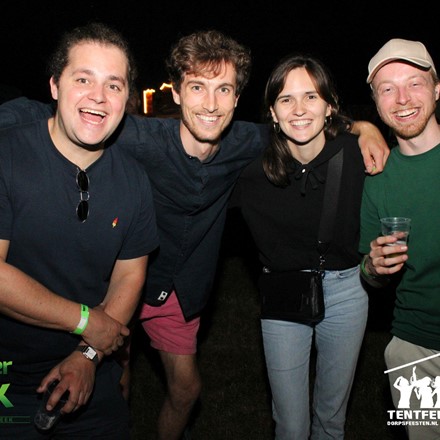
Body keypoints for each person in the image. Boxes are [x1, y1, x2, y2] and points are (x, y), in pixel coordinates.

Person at [0, 30, 389, 440]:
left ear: (237, 99)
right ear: (178, 93)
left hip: (178, 290)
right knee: (115, 384)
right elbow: (53, 112)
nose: (211, 103)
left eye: (224, 89)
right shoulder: (135, 135)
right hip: (119, 280)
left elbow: (304, 123)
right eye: (198, 87)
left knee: (186, 390)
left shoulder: (247, 142)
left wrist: (363, 127)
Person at [0, 22, 159, 439]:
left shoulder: (134, 180)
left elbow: (130, 276)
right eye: (83, 79)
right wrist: (87, 322)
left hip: (90, 372)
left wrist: (87, 355)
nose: (98, 97)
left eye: (114, 85)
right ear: (55, 86)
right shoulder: (7, 156)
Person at [232, 53, 369, 439]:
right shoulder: (252, 170)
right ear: (272, 113)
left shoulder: (357, 154)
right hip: (283, 293)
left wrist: (367, 128)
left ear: (330, 106)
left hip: (347, 291)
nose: (299, 109)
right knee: (291, 426)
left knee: (331, 421)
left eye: (310, 96)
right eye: (286, 99)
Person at [359, 38, 440, 440]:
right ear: (376, 102)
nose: (403, 99)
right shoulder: (376, 181)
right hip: (416, 348)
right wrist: (373, 266)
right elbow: (369, 273)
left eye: (415, 83)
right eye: (387, 88)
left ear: (437, 89)